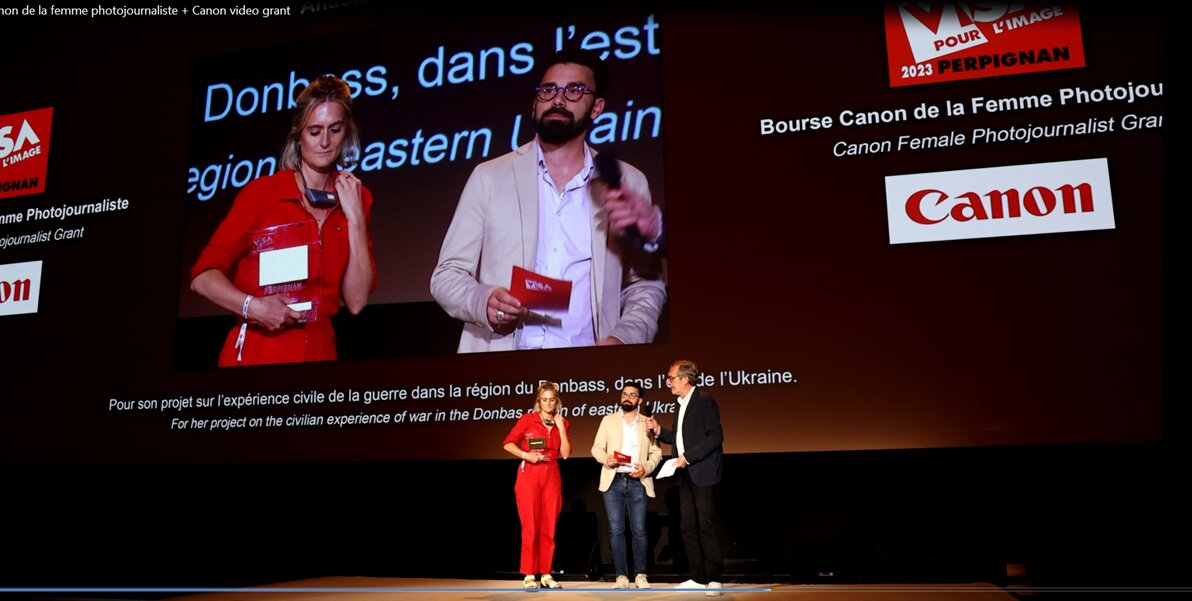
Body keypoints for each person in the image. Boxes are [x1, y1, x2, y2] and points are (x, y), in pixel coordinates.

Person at [430, 49, 665, 353]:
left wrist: (624, 337)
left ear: (597, 108)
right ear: (534, 103)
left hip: (589, 368)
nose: (558, 99)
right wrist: (483, 301)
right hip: (500, 369)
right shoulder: (490, 176)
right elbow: (446, 274)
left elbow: (646, 284)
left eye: (574, 90)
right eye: (548, 90)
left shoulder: (628, 182)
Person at [190, 75, 375, 366]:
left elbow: (356, 301)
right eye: (314, 132)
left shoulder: (357, 196)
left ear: (347, 131)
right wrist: (253, 307)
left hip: (319, 355)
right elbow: (202, 277)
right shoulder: (262, 194)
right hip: (258, 353)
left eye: (335, 130)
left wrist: (355, 217)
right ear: (297, 135)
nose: (325, 142)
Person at [648, 360, 725, 595]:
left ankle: (714, 579)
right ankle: (698, 577)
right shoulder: (679, 404)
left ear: (685, 379)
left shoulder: (703, 401)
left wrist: (688, 457)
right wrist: (660, 432)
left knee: (705, 525)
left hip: (702, 472)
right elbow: (682, 438)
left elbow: (715, 437)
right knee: (687, 526)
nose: (668, 382)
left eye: (671, 378)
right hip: (684, 474)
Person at [591, 382, 662, 589]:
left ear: (639, 400)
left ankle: (640, 574)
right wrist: (607, 459)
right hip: (613, 481)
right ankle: (621, 576)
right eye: (624, 394)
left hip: (637, 481)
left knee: (639, 530)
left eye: (632, 395)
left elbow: (656, 453)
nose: (627, 398)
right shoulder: (608, 420)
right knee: (616, 530)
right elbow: (596, 448)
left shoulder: (646, 423)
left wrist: (646, 467)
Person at [502, 381, 572, 589]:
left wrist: (560, 427)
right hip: (529, 475)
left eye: (552, 400)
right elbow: (507, 443)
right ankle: (529, 573)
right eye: (544, 400)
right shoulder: (528, 420)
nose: (548, 404)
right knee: (530, 525)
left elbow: (566, 454)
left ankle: (546, 573)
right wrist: (526, 455)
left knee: (549, 526)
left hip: (551, 473)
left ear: (556, 401)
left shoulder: (563, 423)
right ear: (538, 401)